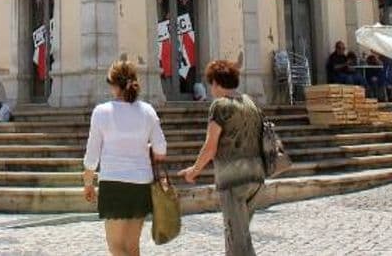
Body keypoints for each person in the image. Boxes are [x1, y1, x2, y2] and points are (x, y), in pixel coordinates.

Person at [178, 59, 264, 256]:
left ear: (216, 83)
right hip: (257, 177)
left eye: (211, 84)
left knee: (237, 241)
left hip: (234, 179)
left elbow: (210, 147)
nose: (211, 89)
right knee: (239, 235)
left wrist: (194, 171)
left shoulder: (220, 106)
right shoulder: (249, 103)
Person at [82, 60, 166, 256]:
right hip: (141, 183)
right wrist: (145, 148)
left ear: (113, 84)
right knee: (132, 246)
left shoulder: (101, 112)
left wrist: (88, 183)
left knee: (116, 246)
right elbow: (161, 149)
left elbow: (92, 154)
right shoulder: (148, 111)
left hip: (113, 182)